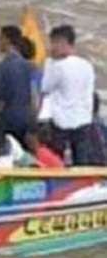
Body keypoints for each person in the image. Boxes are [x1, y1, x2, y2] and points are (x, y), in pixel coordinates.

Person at [40, 25, 104, 165]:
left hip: (61, 120)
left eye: (55, 42)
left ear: (65, 43)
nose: (52, 47)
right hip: (83, 118)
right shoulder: (86, 65)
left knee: (57, 159)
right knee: (81, 159)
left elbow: (45, 87)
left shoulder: (56, 66)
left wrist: (49, 63)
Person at [0, 26, 36, 147]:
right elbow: (35, 97)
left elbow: (0, 98)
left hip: (8, 119)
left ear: (6, 40)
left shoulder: (2, 66)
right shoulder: (31, 66)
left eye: (0, 39)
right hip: (27, 118)